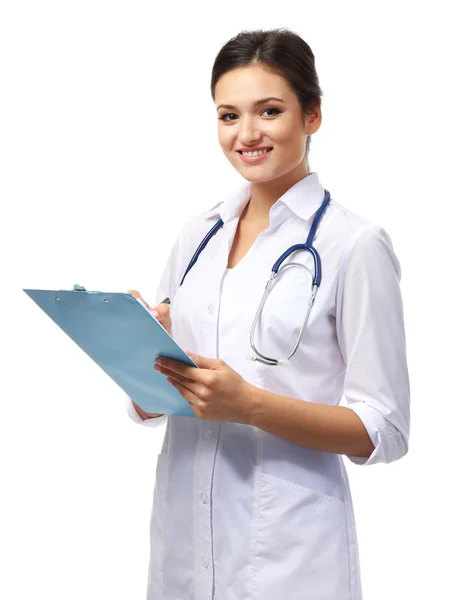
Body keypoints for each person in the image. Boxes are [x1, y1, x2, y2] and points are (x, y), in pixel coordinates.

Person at [126, 27, 410, 600]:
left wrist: (249, 406)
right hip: (183, 546)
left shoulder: (353, 245)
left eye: (269, 111)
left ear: (313, 116)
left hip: (288, 557)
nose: (246, 134)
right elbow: (155, 401)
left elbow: (384, 428)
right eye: (228, 115)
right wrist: (136, 356)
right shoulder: (197, 236)